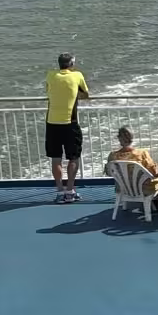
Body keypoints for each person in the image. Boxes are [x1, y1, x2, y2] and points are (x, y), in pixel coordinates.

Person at [44, 53, 92, 205]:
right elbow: (86, 95)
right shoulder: (77, 75)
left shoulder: (50, 75)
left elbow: (48, 91)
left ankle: (60, 192)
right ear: (71, 64)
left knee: (56, 158)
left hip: (52, 122)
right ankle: (70, 191)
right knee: (73, 157)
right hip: (70, 122)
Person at [107, 127, 158, 208]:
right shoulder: (141, 153)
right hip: (143, 189)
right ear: (132, 137)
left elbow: (108, 172)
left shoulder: (113, 156)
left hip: (123, 189)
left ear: (119, 139)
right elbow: (154, 172)